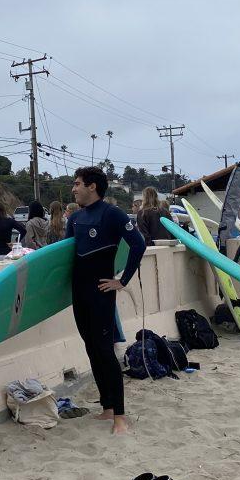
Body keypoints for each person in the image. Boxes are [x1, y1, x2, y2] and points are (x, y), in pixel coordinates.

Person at [66, 166, 146, 435]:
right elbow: (64, 259)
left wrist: (122, 281)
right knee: (91, 347)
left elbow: (139, 244)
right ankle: (107, 407)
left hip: (101, 292)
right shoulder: (75, 219)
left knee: (104, 350)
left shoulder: (112, 214)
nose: (73, 188)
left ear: (92, 186)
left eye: (77, 184)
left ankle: (120, 417)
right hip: (79, 292)